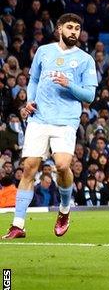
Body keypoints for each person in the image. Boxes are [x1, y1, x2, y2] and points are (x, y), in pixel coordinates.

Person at [4, 14, 97, 240]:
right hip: (39, 118)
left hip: (66, 120)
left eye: (77, 28)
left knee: (63, 166)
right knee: (29, 167)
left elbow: (90, 95)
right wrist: (30, 101)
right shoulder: (44, 52)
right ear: (59, 29)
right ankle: (18, 224)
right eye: (70, 27)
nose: (74, 31)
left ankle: (64, 210)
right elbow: (33, 79)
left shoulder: (85, 59)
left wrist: (70, 84)